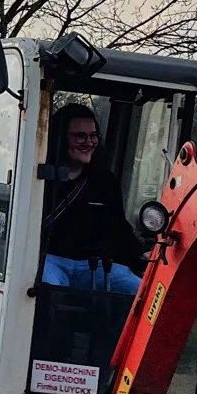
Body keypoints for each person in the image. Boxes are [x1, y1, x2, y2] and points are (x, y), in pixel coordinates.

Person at [41, 103, 144, 295]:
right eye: (80, 136)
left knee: (140, 292)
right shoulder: (40, 178)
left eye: (94, 136)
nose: (89, 143)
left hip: (94, 266)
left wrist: (142, 253)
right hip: (51, 261)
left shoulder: (104, 181)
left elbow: (119, 227)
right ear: (60, 138)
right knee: (50, 294)